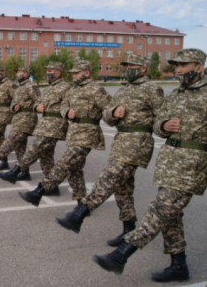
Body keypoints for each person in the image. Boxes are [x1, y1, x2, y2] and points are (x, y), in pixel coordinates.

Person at [92, 48, 207, 283]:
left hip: (193, 165)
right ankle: (178, 265)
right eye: (177, 65)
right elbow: (157, 124)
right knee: (171, 215)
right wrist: (164, 126)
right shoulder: (176, 94)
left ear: (199, 67)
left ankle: (122, 254)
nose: (178, 69)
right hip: (170, 163)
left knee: (160, 209)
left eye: (184, 65)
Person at [55, 54, 164, 242]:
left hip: (138, 142)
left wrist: (163, 126)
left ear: (143, 69)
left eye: (132, 65)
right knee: (123, 188)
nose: (128, 68)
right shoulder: (123, 91)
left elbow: (162, 118)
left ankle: (78, 215)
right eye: (126, 66)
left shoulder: (153, 89)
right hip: (121, 140)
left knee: (110, 177)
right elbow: (106, 116)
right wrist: (113, 113)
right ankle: (128, 229)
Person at [18, 60, 112, 207]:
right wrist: (67, 112)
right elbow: (64, 105)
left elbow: (108, 110)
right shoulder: (74, 89)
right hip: (74, 132)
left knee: (65, 162)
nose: (73, 76)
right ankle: (82, 202)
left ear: (87, 73)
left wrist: (114, 114)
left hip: (88, 133)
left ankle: (39, 191)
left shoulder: (96, 89)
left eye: (76, 73)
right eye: (72, 73)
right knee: (75, 169)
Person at [0, 61, 71, 185]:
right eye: (47, 71)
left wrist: (68, 112)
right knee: (46, 156)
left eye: (49, 71)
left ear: (58, 73)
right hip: (45, 124)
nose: (47, 73)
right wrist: (37, 108)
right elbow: (37, 102)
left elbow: (70, 105)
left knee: (34, 149)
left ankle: (14, 172)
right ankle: (51, 187)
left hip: (55, 125)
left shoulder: (65, 87)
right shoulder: (49, 88)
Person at [0, 67, 40, 170]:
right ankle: (24, 172)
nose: (17, 74)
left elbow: (39, 102)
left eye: (19, 72)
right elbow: (13, 102)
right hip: (18, 118)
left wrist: (29, 107)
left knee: (10, 141)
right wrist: (14, 107)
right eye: (17, 72)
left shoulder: (31, 86)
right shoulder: (20, 87)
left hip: (27, 119)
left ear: (26, 74)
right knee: (20, 147)